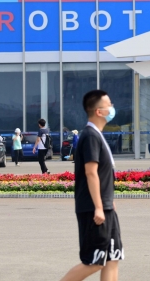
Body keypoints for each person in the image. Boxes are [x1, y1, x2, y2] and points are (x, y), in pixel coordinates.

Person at [60, 89, 123, 281]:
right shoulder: (90, 136)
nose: (112, 108)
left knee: (113, 257)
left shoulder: (97, 135)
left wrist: (108, 201)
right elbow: (91, 172)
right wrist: (98, 207)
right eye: (109, 105)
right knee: (94, 261)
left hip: (106, 206)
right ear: (98, 111)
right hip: (93, 209)